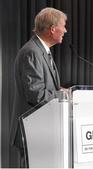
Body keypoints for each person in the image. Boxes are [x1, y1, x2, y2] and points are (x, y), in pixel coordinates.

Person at [10, 7, 67, 167]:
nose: (65, 30)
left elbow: (42, 87)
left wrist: (59, 91)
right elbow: (36, 94)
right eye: (63, 26)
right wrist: (63, 96)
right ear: (53, 29)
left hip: (41, 130)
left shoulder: (41, 50)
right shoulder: (32, 52)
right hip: (33, 131)